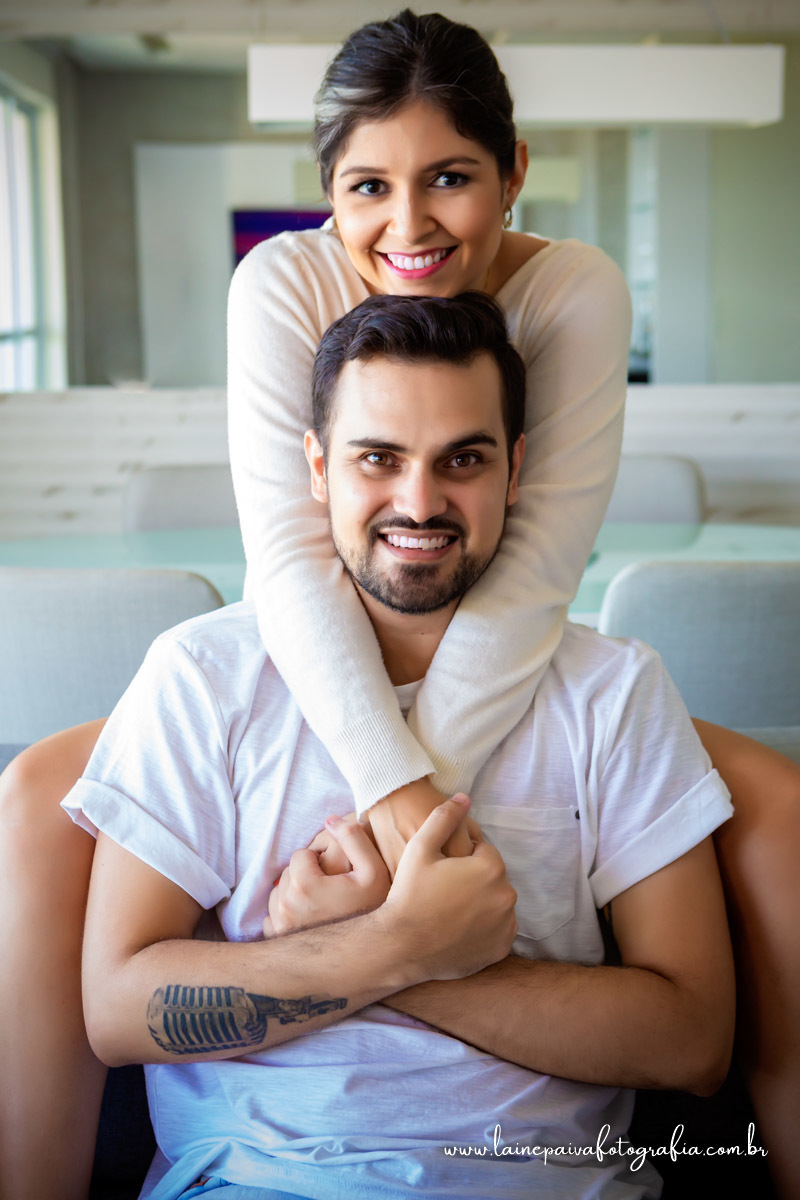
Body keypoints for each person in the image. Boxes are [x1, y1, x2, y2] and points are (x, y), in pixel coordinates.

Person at [0, 10, 797, 1199]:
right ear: (327, 192)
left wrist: (393, 897)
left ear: (512, 176)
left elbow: (532, 573)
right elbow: (288, 560)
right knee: (35, 798)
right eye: (368, 184)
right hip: (300, 642)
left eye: (451, 179)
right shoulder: (282, 283)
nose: (408, 223)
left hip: (511, 653)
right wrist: (402, 879)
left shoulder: (570, 292)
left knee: (769, 798)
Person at [68, 293, 735, 1199]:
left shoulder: (613, 689)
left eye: (463, 458)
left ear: (515, 470)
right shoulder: (203, 674)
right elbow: (117, 1013)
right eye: (377, 458)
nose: (420, 502)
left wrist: (384, 949)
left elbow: (693, 1041)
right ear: (317, 468)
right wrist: (401, 945)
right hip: (257, 1183)